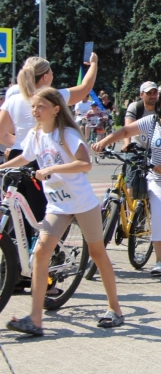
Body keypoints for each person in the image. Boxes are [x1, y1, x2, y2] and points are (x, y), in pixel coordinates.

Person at [3, 88, 124, 336]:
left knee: (98, 254)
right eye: (34, 107)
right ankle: (35, 319)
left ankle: (115, 309)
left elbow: (85, 164)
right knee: (40, 253)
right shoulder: (36, 135)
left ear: (56, 109)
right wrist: (2, 166)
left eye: (41, 107)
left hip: (81, 202)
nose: (36, 111)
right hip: (57, 204)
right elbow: (25, 157)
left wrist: (52, 169)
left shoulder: (65, 134)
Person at [94, 85, 161, 276]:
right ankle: (159, 262)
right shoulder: (151, 122)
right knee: (159, 217)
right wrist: (104, 142)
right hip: (158, 180)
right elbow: (125, 131)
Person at [0, 54, 100, 223]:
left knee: (16, 217)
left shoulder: (12, 100)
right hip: (44, 158)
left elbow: (1, 134)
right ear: (45, 77)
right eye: (51, 72)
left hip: (17, 157)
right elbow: (86, 87)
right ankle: (48, 245)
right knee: (45, 213)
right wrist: (94, 64)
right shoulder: (54, 97)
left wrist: (19, 144)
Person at [124, 81, 158, 147]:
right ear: (141, 95)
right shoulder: (135, 107)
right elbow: (127, 129)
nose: (153, 96)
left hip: (155, 148)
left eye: (155, 92)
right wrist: (127, 145)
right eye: (149, 93)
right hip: (137, 145)